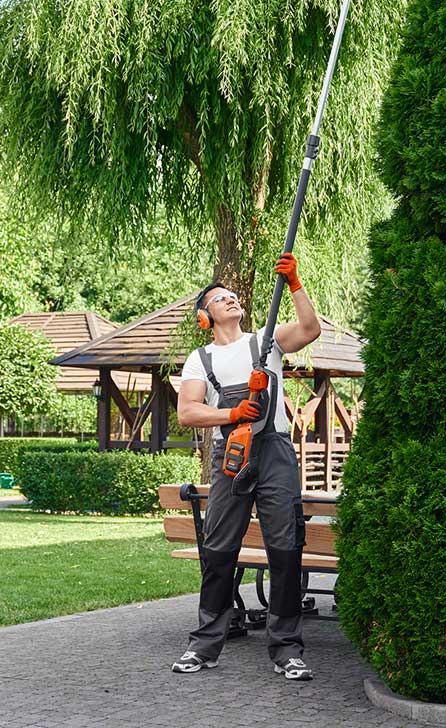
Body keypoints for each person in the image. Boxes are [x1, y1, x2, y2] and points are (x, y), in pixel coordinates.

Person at [170, 252, 321, 681]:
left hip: (274, 452)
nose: (232, 299)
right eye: (221, 299)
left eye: (234, 295)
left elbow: (310, 329)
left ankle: (287, 650)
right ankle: (204, 645)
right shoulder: (201, 359)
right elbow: (188, 412)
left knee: (287, 549)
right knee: (218, 550)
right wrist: (235, 414)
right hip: (230, 455)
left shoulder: (266, 342)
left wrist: (294, 283)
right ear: (205, 317)